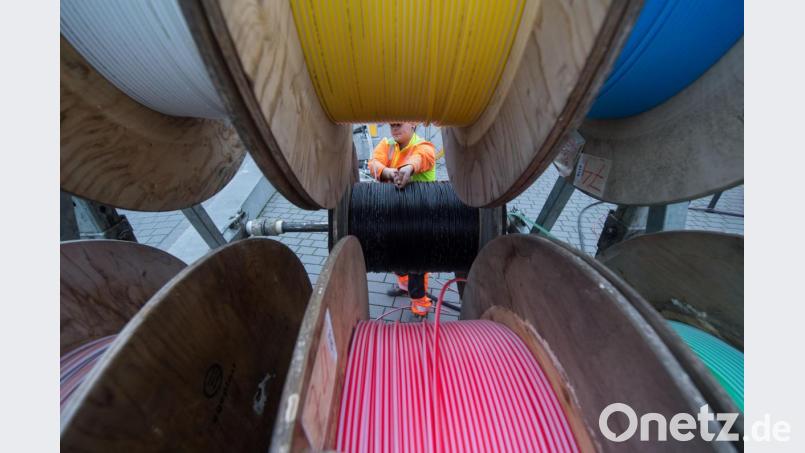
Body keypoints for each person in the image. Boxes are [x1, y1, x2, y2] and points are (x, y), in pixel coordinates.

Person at [368, 122, 436, 317]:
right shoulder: (387, 144)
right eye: (392, 125)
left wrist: (408, 168)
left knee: (416, 265)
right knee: (395, 256)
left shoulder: (424, 146)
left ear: (413, 123)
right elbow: (373, 163)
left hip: (420, 218)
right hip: (394, 214)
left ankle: (420, 306)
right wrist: (387, 172)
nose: (394, 129)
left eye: (399, 125)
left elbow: (423, 158)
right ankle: (403, 286)